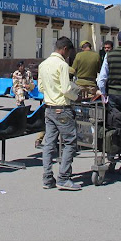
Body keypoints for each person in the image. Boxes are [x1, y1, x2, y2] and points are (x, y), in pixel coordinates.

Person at [39, 36, 81, 191]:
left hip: (48, 108)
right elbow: (65, 89)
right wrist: (77, 96)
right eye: (68, 52)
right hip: (62, 108)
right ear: (64, 49)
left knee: (49, 143)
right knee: (70, 141)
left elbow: (41, 87)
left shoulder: (43, 64)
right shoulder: (62, 65)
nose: (68, 55)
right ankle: (63, 177)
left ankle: (47, 177)